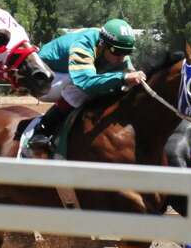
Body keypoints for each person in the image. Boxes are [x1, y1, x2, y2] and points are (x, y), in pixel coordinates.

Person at [28, 18, 146, 150]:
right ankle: (43, 129)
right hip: (40, 78)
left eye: (127, 52)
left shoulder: (118, 47)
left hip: (66, 73)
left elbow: (129, 77)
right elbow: (85, 81)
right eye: (116, 52)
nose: (122, 57)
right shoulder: (84, 44)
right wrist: (123, 77)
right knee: (82, 88)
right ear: (102, 44)